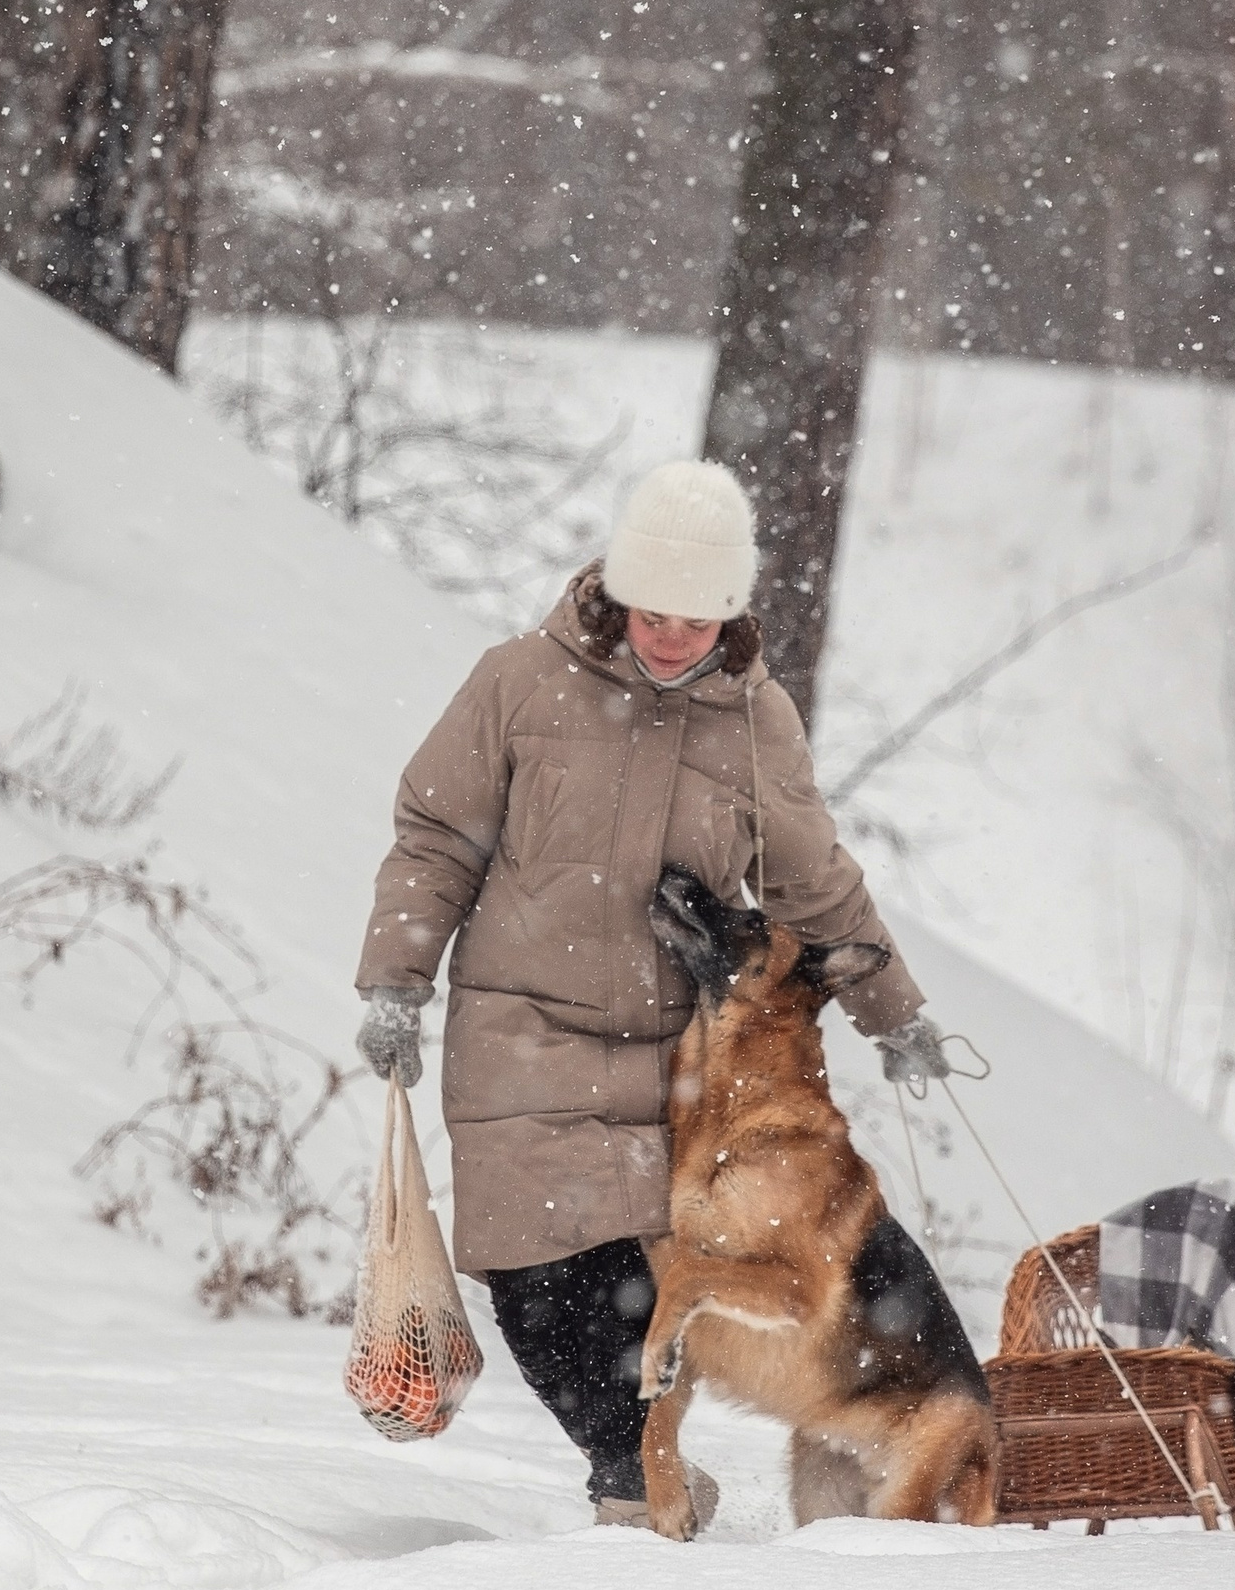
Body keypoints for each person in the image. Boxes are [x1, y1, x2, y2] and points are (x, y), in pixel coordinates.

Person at [355, 458, 951, 1526]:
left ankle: (635, 1490)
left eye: (699, 619)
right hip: (516, 1030)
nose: (672, 638)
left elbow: (812, 878)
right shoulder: (519, 683)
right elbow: (435, 836)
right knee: (532, 1289)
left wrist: (894, 1010)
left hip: (669, 1053)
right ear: (618, 590)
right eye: (655, 612)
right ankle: (634, 1463)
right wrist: (394, 980)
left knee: (630, 1286)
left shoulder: (752, 721)